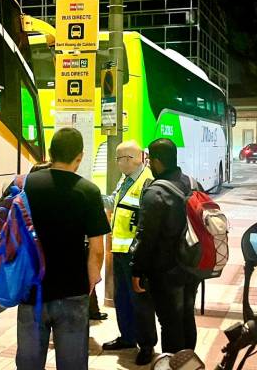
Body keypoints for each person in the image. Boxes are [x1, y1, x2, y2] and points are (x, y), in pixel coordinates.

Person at [16, 128, 110, 370]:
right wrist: (90, 281)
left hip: (31, 288)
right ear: (79, 157)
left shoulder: (26, 185)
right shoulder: (88, 191)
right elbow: (97, 249)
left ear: (50, 153)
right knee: (72, 363)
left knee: (28, 362)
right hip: (72, 289)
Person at [130, 138, 202, 354]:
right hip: (192, 265)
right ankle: (189, 365)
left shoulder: (155, 192)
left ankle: (174, 365)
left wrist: (137, 270)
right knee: (187, 317)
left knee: (171, 323)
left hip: (166, 272)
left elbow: (146, 237)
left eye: (150, 160)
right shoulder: (192, 182)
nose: (149, 164)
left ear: (158, 161)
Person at [101, 141, 158, 365]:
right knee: (122, 297)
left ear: (130, 160)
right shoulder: (125, 180)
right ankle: (127, 337)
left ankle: (147, 345)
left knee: (141, 301)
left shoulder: (147, 183)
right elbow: (113, 203)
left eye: (119, 158)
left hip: (136, 253)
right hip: (119, 250)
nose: (117, 163)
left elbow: (148, 223)